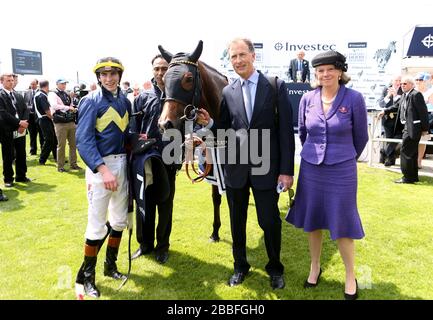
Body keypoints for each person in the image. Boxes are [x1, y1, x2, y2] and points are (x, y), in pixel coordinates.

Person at [197, 38, 295, 290]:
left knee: (269, 221)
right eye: (233, 57)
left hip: (267, 169)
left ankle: (275, 268)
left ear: (253, 55)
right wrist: (209, 123)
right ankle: (240, 267)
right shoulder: (228, 92)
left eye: (242, 55)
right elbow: (224, 130)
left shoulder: (274, 86)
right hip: (236, 169)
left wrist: (286, 171)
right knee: (236, 222)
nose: (238, 61)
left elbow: (285, 132)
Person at [285, 51, 369, 300]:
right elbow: (302, 132)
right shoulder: (307, 99)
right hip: (311, 169)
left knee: (342, 223)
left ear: (340, 71)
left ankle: (350, 274)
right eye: (320, 70)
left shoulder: (354, 98)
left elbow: (361, 137)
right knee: (313, 221)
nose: (325, 74)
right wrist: (314, 154)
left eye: (330, 69)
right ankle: (314, 266)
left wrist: (344, 157)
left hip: (342, 170)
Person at [75, 57, 132, 298]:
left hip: (122, 165)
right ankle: (88, 278)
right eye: (104, 74)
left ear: (119, 75)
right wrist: (103, 169)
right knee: (97, 225)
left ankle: (111, 266)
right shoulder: (90, 101)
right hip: (101, 169)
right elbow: (84, 140)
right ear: (98, 77)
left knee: (119, 221)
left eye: (113, 74)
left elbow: (128, 135)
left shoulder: (125, 101)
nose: (109, 78)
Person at [130, 54, 177, 264]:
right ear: (152, 71)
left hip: (169, 158)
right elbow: (133, 128)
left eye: (164, 68)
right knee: (145, 203)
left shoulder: (177, 98)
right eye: (157, 68)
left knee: (165, 204)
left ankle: (162, 246)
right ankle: (145, 244)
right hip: (146, 159)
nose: (160, 72)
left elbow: (186, 127)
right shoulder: (142, 97)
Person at [379, 76, 429, 183]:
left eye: (405, 84)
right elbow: (396, 106)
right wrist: (385, 111)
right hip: (407, 128)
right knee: (411, 152)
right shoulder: (404, 96)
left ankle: (407, 177)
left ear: (411, 85)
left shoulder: (416, 95)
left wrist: (425, 128)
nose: (402, 85)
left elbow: (423, 112)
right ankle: (413, 177)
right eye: (401, 84)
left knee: (405, 152)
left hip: (413, 128)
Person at [0, 73, 30, 187]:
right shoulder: (1, 95)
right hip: (7, 130)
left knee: (21, 153)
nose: (11, 82)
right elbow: (3, 114)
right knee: (8, 155)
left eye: (12, 80)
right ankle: (8, 179)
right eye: (8, 80)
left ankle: (21, 176)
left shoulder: (18, 95)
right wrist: (18, 123)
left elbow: (25, 109)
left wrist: (23, 124)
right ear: (2, 82)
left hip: (20, 129)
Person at [48, 79, 81, 172]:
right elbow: (54, 106)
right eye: (62, 83)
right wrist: (68, 108)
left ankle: (73, 164)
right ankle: (60, 166)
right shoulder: (52, 94)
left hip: (70, 121)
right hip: (60, 123)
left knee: (73, 144)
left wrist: (72, 108)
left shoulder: (66, 94)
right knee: (61, 145)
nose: (64, 85)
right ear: (57, 84)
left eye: (65, 83)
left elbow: (70, 104)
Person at [377, 75, 403, 166]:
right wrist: (388, 96)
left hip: (399, 119)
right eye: (396, 80)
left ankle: (384, 152)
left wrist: (396, 95)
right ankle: (390, 160)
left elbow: (400, 105)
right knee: (389, 139)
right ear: (392, 81)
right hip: (387, 118)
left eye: (400, 80)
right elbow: (381, 104)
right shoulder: (386, 89)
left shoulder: (403, 89)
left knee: (397, 138)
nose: (398, 82)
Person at [34, 80, 57, 165]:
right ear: (47, 86)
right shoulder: (41, 95)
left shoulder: (39, 94)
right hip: (45, 119)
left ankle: (57, 157)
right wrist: (53, 118)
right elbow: (47, 110)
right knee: (49, 140)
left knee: (54, 139)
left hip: (44, 119)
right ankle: (42, 159)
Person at [414, 72, 433, 169]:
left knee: (423, 140)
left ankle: (419, 161)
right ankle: (412, 160)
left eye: (420, 80)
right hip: (414, 119)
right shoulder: (412, 91)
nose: (418, 82)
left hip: (426, 118)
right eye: (416, 80)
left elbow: (430, 106)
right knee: (412, 140)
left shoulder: (429, 92)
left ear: (425, 81)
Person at [24, 79, 44, 155]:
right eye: (31, 84)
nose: (32, 86)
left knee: (41, 134)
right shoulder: (27, 93)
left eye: (34, 84)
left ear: (37, 84)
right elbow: (25, 103)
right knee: (32, 134)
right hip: (30, 117)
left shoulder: (40, 93)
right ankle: (33, 150)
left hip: (39, 116)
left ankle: (43, 149)